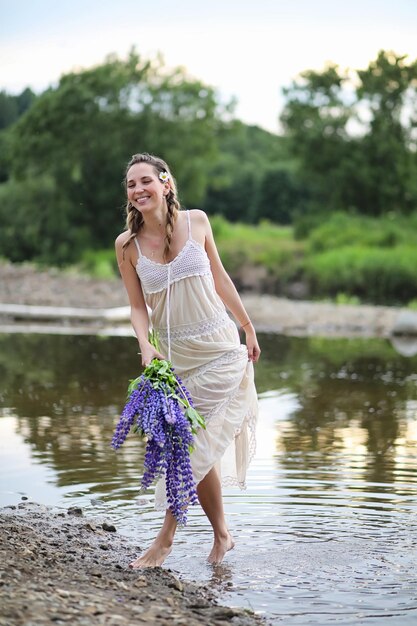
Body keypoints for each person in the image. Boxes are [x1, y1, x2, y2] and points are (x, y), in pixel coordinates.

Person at [115, 153, 260, 568]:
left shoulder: (197, 222)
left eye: (145, 181)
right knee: (197, 449)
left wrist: (247, 326)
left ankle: (164, 540)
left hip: (219, 351)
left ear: (165, 184)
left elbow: (219, 277)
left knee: (188, 448)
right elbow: (138, 307)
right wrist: (145, 345)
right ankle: (223, 535)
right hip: (175, 361)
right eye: (131, 185)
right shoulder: (127, 246)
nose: (138, 190)